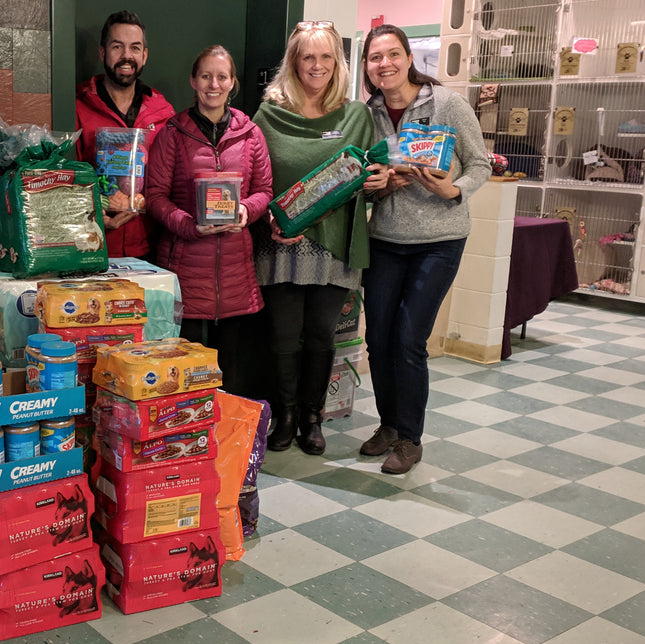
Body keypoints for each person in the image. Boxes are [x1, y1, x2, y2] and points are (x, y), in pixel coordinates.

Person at [360, 23, 490, 474]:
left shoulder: (448, 103)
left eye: (393, 54)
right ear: (367, 65)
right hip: (386, 240)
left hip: (439, 240)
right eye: (376, 57)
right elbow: (365, 178)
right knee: (377, 338)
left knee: (408, 339)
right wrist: (379, 185)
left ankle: (411, 439)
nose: (386, 64)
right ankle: (389, 425)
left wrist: (453, 191)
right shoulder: (367, 114)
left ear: (409, 58)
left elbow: (481, 162)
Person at [252, 22, 388, 454]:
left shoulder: (357, 116)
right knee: (282, 337)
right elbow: (254, 177)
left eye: (326, 56)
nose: (317, 65)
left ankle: (313, 418)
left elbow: (372, 174)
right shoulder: (268, 113)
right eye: (308, 56)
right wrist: (267, 220)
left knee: (320, 337)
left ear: (338, 62)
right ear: (293, 61)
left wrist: (380, 178)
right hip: (282, 244)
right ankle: (285, 416)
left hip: (334, 244)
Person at [144, 45, 273, 396]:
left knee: (228, 373)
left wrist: (246, 211)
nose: (213, 84)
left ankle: (225, 442)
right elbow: (154, 196)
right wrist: (189, 224)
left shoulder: (251, 134)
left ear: (233, 83)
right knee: (183, 374)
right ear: (193, 81)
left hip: (235, 275)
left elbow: (264, 190)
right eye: (205, 76)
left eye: (221, 77)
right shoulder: (173, 133)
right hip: (185, 270)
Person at [75, 10, 175, 258]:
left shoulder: (163, 111)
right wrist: (97, 213)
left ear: (144, 55)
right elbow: (65, 182)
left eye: (134, 47)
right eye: (117, 47)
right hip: (93, 247)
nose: (126, 56)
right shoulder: (77, 106)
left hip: (151, 249)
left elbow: (172, 179)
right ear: (102, 53)